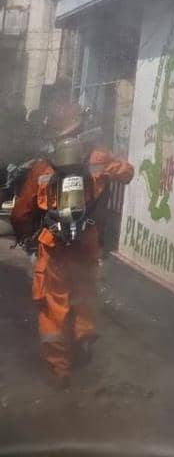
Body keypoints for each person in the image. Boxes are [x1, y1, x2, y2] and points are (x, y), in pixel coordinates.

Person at [11, 101, 134, 386]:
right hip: (86, 241)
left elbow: (21, 213)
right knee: (84, 292)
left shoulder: (42, 166)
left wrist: (26, 235)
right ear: (80, 127)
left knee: (54, 306)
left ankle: (59, 368)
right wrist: (105, 159)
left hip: (53, 245)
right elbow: (127, 172)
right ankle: (84, 335)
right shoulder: (97, 157)